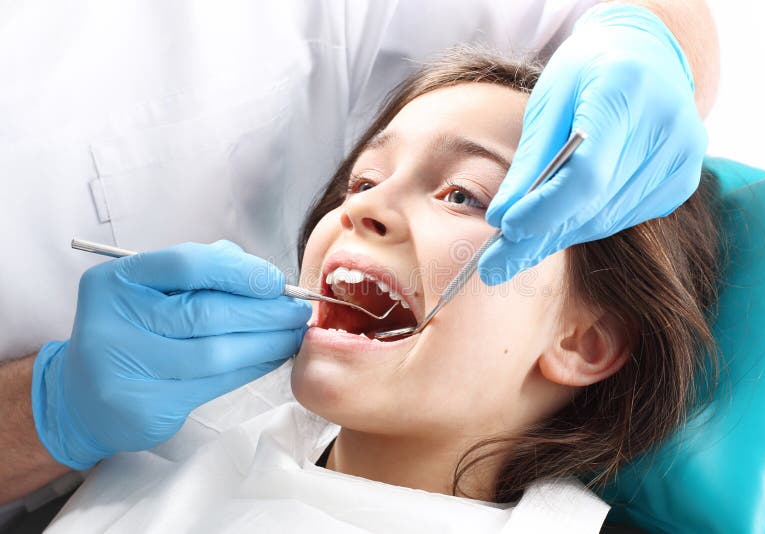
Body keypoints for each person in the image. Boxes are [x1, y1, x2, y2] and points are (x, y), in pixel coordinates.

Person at [0, 0, 719, 527]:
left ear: (585, 341)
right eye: (363, 180)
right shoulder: (172, 454)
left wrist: (649, 37)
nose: (357, 211)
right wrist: (53, 409)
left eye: (464, 194)